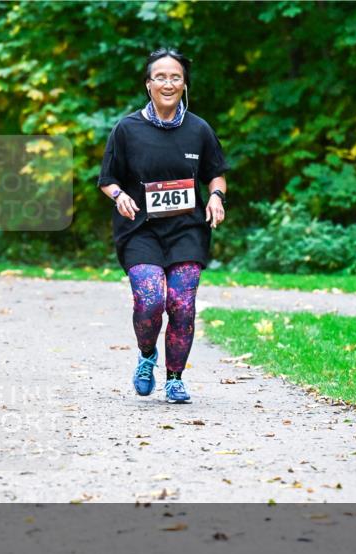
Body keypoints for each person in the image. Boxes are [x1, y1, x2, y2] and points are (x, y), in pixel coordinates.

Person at [98, 47, 228, 404]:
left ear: (184, 84)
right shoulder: (127, 129)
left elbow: (215, 174)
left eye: (175, 77)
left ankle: (174, 379)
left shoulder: (199, 129)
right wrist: (118, 196)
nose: (168, 83)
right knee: (152, 300)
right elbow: (107, 179)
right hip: (140, 229)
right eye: (160, 77)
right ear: (148, 84)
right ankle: (146, 356)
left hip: (187, 229)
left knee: (183, 304)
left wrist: (216, 197)